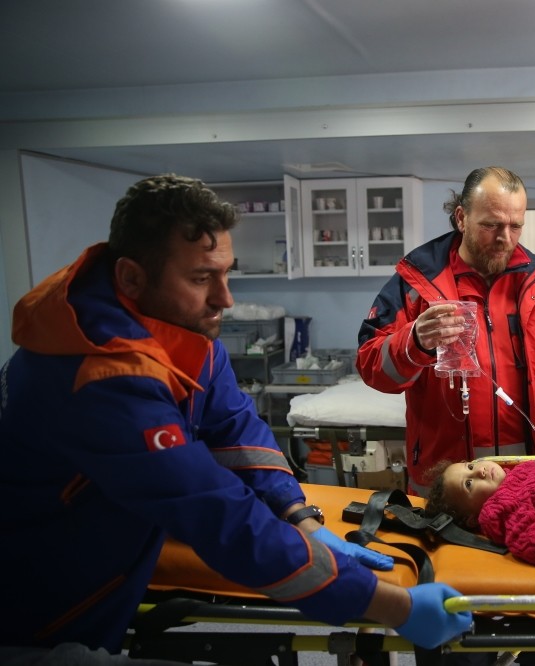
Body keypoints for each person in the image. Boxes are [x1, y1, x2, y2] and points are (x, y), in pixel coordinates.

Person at [0, 175, 471, 663]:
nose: (225, 299)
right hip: (35, 612)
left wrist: (301, 519)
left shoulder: (176, 333)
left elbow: (237, 431)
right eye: (202, 278)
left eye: (227, 273)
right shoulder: (100, 378)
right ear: (131, 278)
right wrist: (394, 607)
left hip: (102, 579)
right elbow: (224, 519)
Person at [356, 166, 535, 497]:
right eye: (491, 225)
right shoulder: (416, 282)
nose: (504, 238)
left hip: (532, 477)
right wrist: (415, 342)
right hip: (451, 485)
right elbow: (370, 364)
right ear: (461, 217)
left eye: (515, 226)